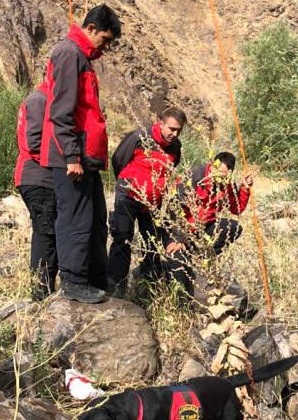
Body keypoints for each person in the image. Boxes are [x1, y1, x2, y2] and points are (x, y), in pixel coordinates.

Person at [40, 4, 121, 303]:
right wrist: (71, 157)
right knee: (76, 219)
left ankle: (96, 278)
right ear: (90, 29)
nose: (107, 46)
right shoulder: (69, 54)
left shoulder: (81, 57)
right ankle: (74, 283)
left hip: (84, 156)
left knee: (95, 218)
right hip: (71, 157)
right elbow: (60, 112)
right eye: (106, 39)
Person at [107, 107, 187, 297]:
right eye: (171, 129)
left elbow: (170, 169)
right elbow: (118, 160)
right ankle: (115, 288)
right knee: (122, 239)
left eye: (178, 130)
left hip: (152, 204)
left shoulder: (176, 147)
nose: (174, 134)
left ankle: (146, 288)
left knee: (151, 243)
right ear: (160, 123)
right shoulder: (138, 137)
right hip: (129, 196)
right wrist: (129, 182)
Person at [161, 152, 253, 300]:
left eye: (224, 175)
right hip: (179, 230)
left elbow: (236, 208)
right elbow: (173, 209)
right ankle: (182, 301)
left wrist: (244, 188)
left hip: (204, 229)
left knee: (233, 227)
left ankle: (202, 258)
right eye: (217, 172)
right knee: (178, 261)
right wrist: (176, 239)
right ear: (212, 165)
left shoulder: (226, 182)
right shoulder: (193, 177)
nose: (220, 178)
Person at [14, 82, 58, 301]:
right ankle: (41, 292)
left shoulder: (39, 99)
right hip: (38, 179)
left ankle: (44, 289)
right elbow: (34, 143)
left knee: (49, 232)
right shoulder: (40, 100)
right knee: (46, 233)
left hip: (37, 178)